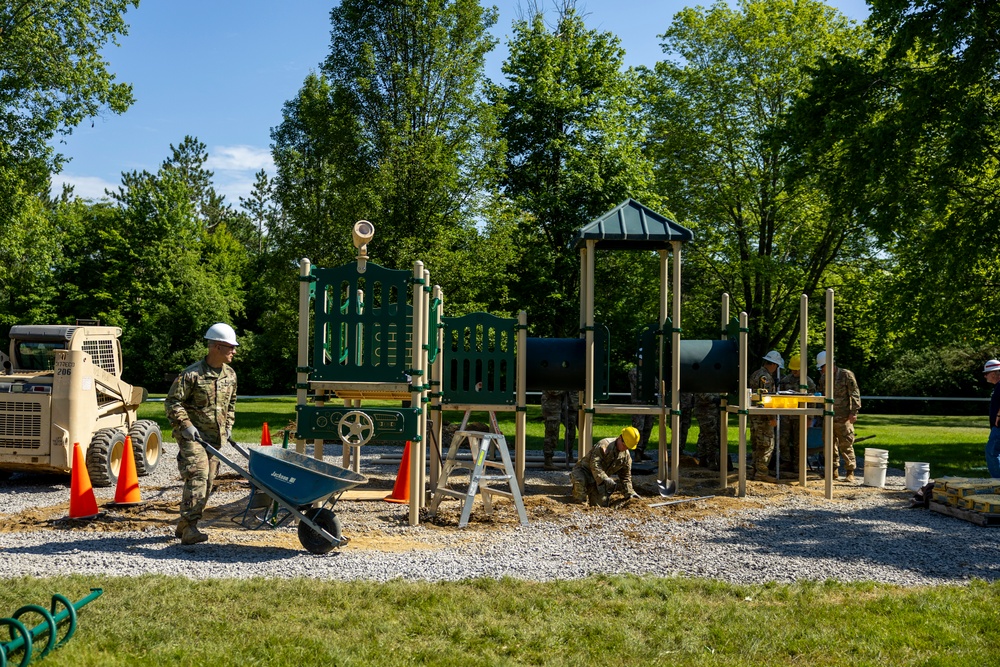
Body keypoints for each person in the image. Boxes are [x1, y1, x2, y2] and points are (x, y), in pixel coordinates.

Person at [165, 323, 239, 544]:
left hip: (215, 438)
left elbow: (231, 404)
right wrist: (186, 425)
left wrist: (229, 425)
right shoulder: (192, 375)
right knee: (198, 476)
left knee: (208, 481)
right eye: (230, 347)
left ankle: (184, 524)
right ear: (216, 347)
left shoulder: (231, 375)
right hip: (192, 436)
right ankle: (190, 529)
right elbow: (172, 403)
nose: (234, 351)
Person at [816, 351, 861, 482]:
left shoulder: (846, 375)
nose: (821, 370)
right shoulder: (823, 378)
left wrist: (854, 412)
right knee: (829, 446)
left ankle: (850, 472)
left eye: (822, 367)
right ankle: (832, 471)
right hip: (829, 417)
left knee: (846, 444)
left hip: (844, 417)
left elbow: (854, 394)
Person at [570, 426, 642, 506]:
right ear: (620, 438)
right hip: (584, 471)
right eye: (625, 445)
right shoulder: (604, 445)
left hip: (598, 481)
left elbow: (625, 477)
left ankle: (590, 490)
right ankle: (580, 497)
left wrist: (630, 492)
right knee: (580, 493)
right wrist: (605, 478)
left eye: (628, 447)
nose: (625, 449)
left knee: (600, 504)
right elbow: (594, 465)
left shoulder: (626, 457)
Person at [776, 354, 817, 471]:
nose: (794, 372)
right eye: (792, 369)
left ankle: (798, 464)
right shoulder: (785, 380)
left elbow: (812, 401)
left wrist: (810, 418)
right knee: (783, 440)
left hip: (800, 416)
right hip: (786, 416)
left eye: (796, 370)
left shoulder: (808, 382)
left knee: (799, 442)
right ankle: (786, 462)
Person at [749, 350, 783, 479]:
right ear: (774, 364)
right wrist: (772, 417)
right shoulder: (766, 378)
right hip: (763, 416)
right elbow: (767, 399)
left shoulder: (755, 374)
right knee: (767, 444)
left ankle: (754, 470)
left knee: (756, 444)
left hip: (754, 415)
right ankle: (762, 473)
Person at [628, 355, 655, 460]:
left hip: (649, 404)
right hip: (638, 403)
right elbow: (640, 386)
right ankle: (637, 452)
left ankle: (642, 450)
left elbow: (656, 385)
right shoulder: (634, 371)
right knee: (638, 428)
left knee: (648, 427)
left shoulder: (649, 372)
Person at [694, 393, 721, 469]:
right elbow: (702, 392)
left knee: (704, 434)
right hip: (705, 410)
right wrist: (713, 399)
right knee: (711, 435)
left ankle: (703, 458)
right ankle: (711, 461)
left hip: (713, 410)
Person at [983, 359, 1000, 477]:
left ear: (994, 374)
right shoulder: (997, 387)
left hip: (999, 426)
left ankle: (997, 483)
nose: (985, 376)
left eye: (986, 373)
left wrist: (999, 415)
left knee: (992, 451)